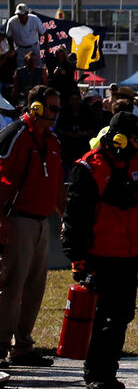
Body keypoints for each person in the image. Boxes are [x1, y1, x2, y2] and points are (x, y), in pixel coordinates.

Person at [62, 111, 138, 389]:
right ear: (119, 139)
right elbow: (73, 218)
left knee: (122, 315)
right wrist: (77, 258)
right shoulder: (89, 168)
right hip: (99, 254)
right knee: (103, 317)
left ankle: (108, 370)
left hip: (129, 254)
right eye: (137, 138)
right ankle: (96, 372)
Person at [0, 85, 64, 368]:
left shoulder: (52, 141)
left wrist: (65, 217)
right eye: (52, 108)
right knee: (12, 285)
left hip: (41, 222)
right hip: (18, 220)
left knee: (35, 286)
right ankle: (1, 346)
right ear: (35, 108)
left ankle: (23, 346)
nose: (56, 114)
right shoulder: (16, 136)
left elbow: (58, 185)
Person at [5, 4, 45, 68]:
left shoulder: (35, 20)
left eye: (22, 15)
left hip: (34, 47)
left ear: (27, 13)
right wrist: (12, 48)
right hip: (20, 48)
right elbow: (9, 36)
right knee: (20, 68)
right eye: (18, 15)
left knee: (37, 67)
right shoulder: (12, 22)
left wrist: (47, 48)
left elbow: (44, 33)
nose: (20, 17)